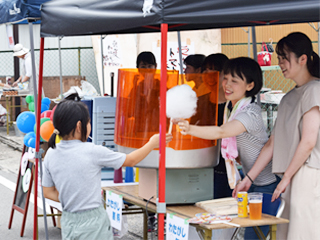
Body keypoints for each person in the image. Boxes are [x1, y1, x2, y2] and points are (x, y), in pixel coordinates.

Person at [176, 57, 280, 239]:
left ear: (250, 85)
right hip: (250, 181)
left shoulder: (250, 112)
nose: (227, 84)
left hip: (266, 184)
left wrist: (189, 128)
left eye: (234, 80)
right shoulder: (232, 109)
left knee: (252, 236)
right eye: (226, 78)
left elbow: (221, 132)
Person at [42, 100, 173, 239]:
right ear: (79, 126)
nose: (90, 126)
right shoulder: (91, 151)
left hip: (68, 220)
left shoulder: (51, 153)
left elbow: (48, 192)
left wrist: (72, 199)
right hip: (93, 223)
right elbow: (130, 160)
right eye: (88, 122)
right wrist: (152, 143)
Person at [234, 32, 320, 240]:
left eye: (284, 57)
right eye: (279, 57)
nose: (280, 63)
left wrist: (287, 177)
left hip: (308, 173)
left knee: (302, 232)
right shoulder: (289, 97)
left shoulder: (315, 89)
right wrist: (249, 178)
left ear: (303, 59)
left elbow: (308, 141)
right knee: (286, 232)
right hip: (290, 176)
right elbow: (272, 144)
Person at [202, 53, 232, 199]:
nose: (210, 76)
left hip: (230, 172)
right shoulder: (200, 103)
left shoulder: (234, 105)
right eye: (206, 71)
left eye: (215, 71)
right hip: (203, 169)